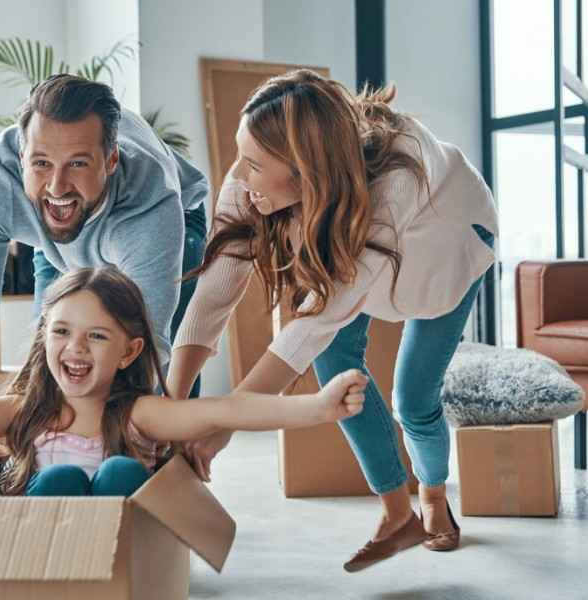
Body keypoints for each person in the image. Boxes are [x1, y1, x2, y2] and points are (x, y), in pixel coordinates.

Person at [167, 69, 498, 571]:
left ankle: (431, 492)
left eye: (253, 164)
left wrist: (222, 423)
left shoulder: (394, 184)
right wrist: (174, 409)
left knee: (413, 399)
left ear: (305, 175)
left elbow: (310, 326)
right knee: (336, 371)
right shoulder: (251, 185)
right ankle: (396, 514)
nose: (236, 176)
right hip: (359, 261)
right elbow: (214, 294)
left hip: (446, 257)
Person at [0, 267, 368, 497]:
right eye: (61, 332)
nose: (74, 349)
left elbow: (224, 413)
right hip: (43, 558)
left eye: (97, 337)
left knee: (119, 472)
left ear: (130, 350)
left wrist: (315, 408)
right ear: (44, 338)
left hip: (120, 560)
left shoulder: (137, 413)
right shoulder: (21, 414)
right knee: (57, 474)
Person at [0, 74, 209, 457]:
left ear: (111, 160)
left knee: (164, 388)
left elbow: (145, 342)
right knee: (51, 354)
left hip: (173, 220)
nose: (58, 185)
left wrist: (118, 441)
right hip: (57, 238)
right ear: (21, 156)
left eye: (77, 163)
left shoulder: (151, 200)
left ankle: (174, 470)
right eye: (41, 163)